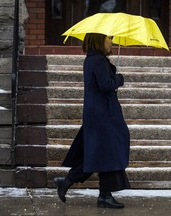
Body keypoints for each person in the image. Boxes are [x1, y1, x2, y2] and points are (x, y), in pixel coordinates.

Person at [54, 33, 131, 209]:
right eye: (109, 38)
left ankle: (68, 182)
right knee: (108, 151)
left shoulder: (94, 60)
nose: (112, 41)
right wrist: (119, 79)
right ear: (98, 40)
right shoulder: (98, 61)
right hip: (103, 115)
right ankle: (104, 196)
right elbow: (106, 85)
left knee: (99, 152)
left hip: (100, 113)